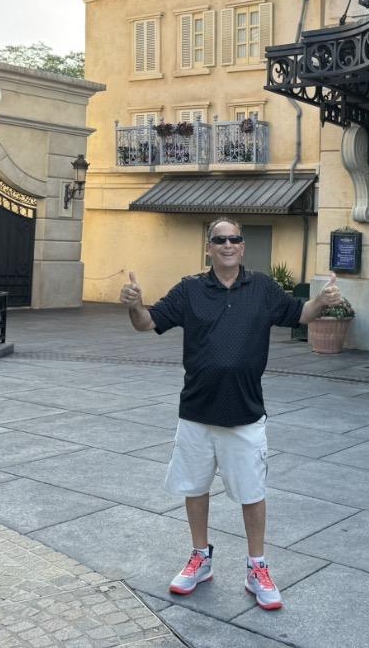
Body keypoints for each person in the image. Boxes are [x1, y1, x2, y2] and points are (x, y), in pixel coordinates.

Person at [119, 216, 343, 611]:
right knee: (195, 487)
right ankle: (200, 558)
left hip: (245, 413)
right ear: (209, 247)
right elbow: (148, 323)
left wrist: (322, 303)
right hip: (196, 412)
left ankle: (257, 566)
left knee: (252, 493)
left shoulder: (262, 288)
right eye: (219, 239)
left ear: (242, 247)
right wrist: (135, 305)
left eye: (234, 239)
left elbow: (299, 313)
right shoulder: (190, 290)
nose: (227, 244)